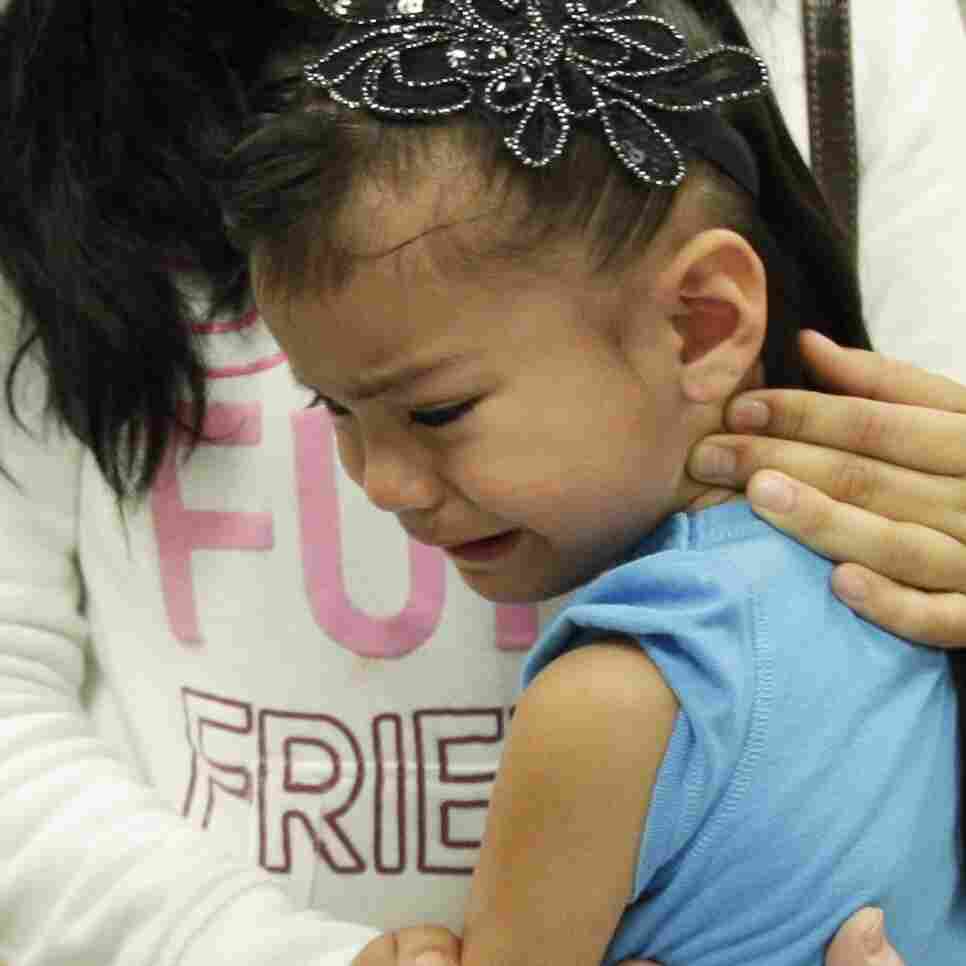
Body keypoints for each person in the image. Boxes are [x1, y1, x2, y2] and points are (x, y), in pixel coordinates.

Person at [0, 0, 962, 963]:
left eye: (438, 411)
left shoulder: (606, 703)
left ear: (702, 324)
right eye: (331, 408)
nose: (379, 485)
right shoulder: (840, 627)